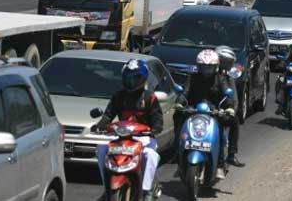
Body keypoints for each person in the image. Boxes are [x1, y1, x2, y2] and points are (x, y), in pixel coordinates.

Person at [91, 59, 163, 201]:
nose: (131, 82)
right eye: (128, 79)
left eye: (134, 79)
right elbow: (108, 115)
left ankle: (146, 190)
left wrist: (155, 128)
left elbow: (157, 119)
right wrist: (99, 125)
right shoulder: (118, 96)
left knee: (150, 155)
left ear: (142, 79)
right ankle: (106, 188)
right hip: (121, 137)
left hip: (144, 137)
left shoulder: (150, 97)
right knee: (101, 150)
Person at [176, 49, 240, 179]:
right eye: (204, 67)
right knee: (177, 118)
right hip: (194, 111)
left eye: (209, 67)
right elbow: (185, 92)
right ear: (199, 66)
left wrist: (229, 108)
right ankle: (178, 154)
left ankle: (226, 159)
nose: (206, 71)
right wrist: (180, 103)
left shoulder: (220, 79)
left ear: (215, 67)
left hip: (215, 113)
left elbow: (227, 95)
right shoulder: (193, 78)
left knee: (233, 122)